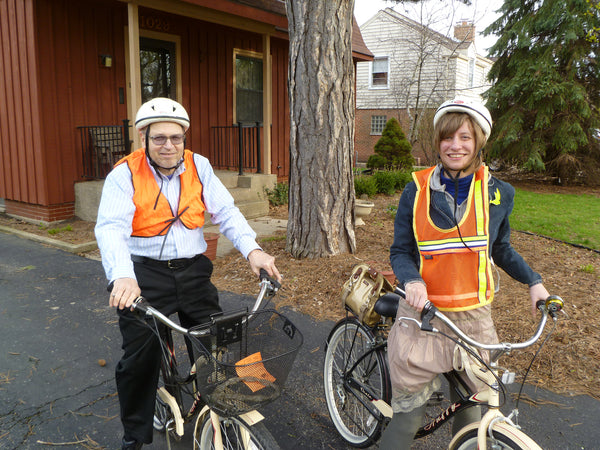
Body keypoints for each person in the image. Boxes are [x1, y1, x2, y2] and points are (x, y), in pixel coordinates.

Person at [94, 97, 281, 450]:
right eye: (159, 138)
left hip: (193, 272)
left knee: (217, 342)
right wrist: (122, 275)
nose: (168, 145)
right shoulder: (124, 174)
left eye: (176, 138)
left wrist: (253, 250)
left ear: (184, 138)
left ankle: (223, 410)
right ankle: (134, 438)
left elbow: (226, 211)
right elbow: (110, 228)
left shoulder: (200, 166)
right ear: (144, 138)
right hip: (143, 275)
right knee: (139, 360)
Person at [379, 98, 549, 449]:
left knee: (474, 410)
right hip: (422, 316)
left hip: (472, 320)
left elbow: (500, 249)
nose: (455, 146)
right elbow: (401, 250)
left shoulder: (500, 193)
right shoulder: (417, 189)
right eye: (447, 138)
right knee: (408, 419)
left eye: (464, 138)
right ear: (438, 142)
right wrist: (412, 281)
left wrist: (535, 282)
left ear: (479, 143)